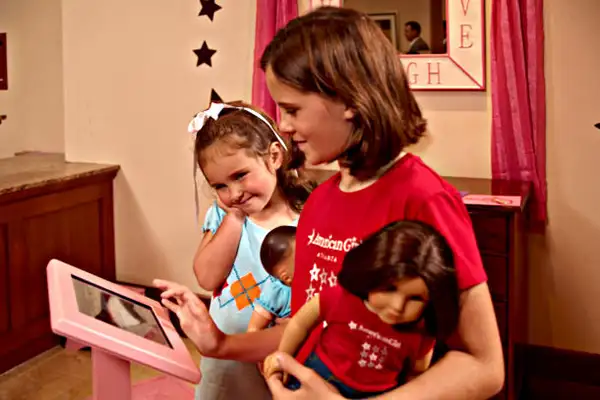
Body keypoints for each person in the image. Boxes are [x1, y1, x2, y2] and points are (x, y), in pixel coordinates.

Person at [157, 6, 504, 400]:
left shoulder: (423, 197)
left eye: (291, 109)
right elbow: (309, 325)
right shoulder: (320, 202)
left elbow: (482, 364)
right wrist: (219, 344)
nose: (283, 125)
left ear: (348, 99)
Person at [183, 100, 311, 400]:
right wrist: (236, 216)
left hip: (277, 356)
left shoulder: (307, 220)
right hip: (225, 362)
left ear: (274, 156)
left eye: (240, 175)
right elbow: (206, 277)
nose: (234, 193)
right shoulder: (225, 216)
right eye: (220, 186)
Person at [263, 220, 459, 398]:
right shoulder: (340, 297)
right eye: (389, 289)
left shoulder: (422, 333)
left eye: (416, 298)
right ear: (371, 273)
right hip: (318, 374)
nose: (398, 307)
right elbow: (300, 324)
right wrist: (283, 358)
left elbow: (416, 374)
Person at [248, 226, 296, 332]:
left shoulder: (315, 280)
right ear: (287, 277)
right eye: (302, 257)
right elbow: (254, 329)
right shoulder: (277, 293)